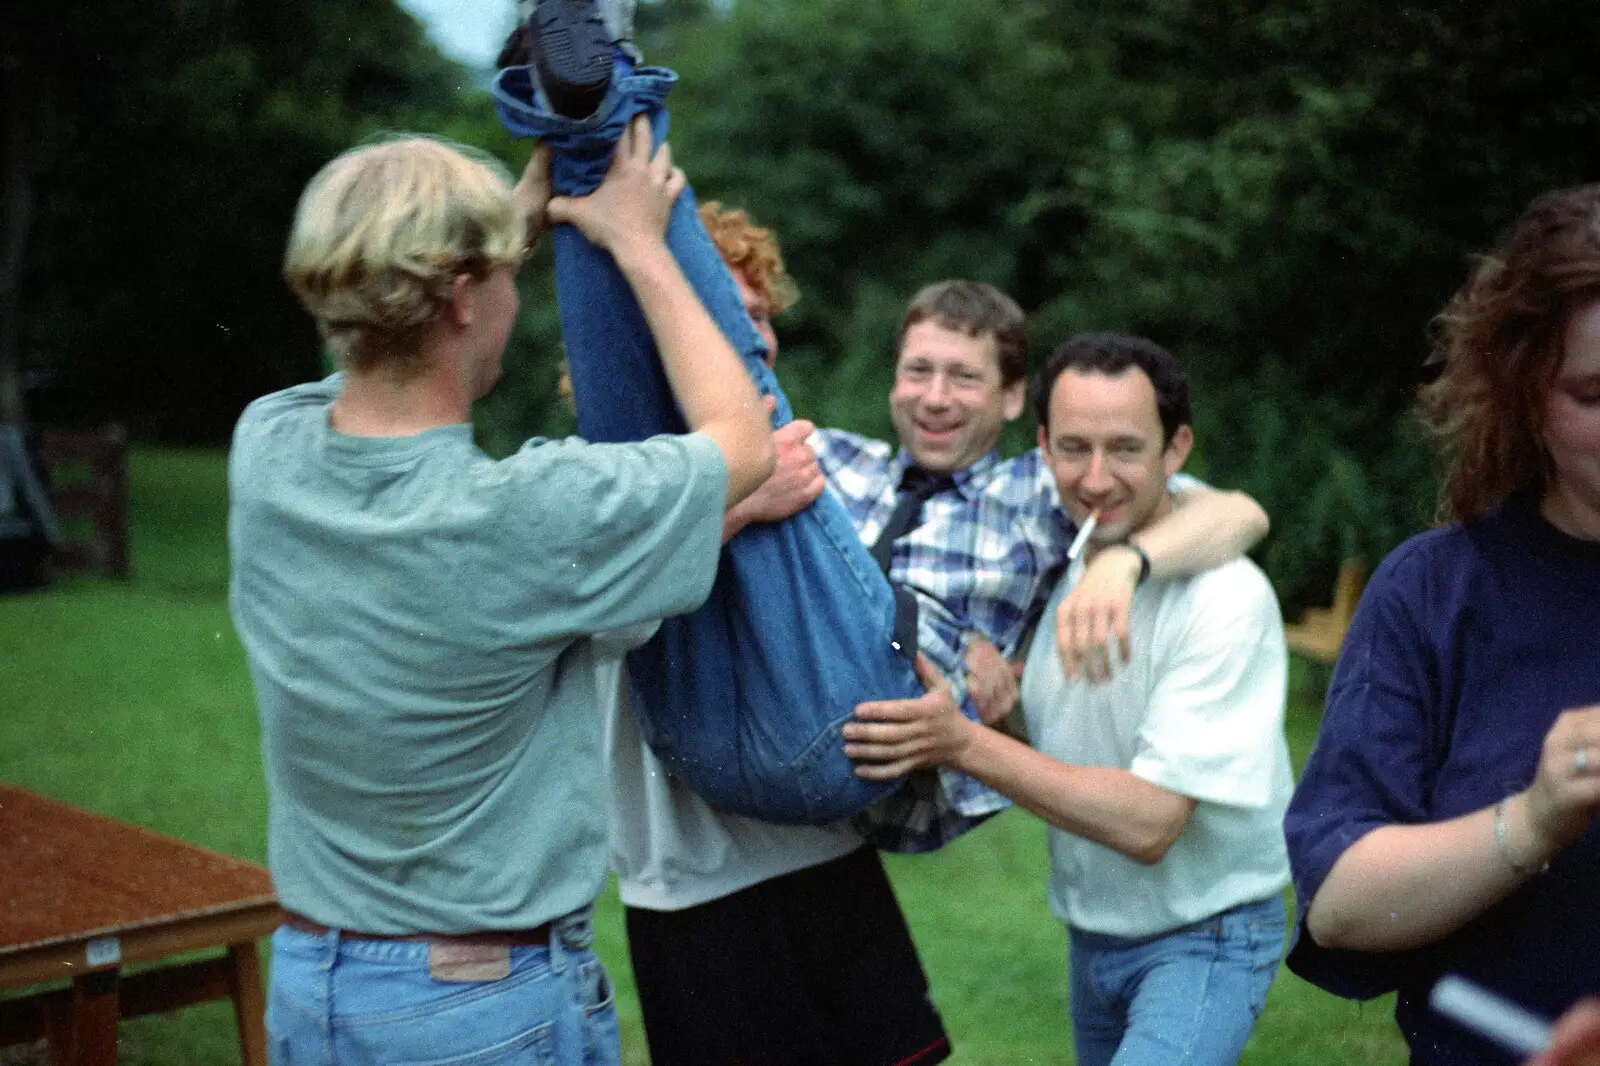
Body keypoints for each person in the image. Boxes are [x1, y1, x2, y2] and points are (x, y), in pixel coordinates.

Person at [492, 0, 1271, 833]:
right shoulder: (837, 457)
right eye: (920, 372)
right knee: (667, 457)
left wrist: (1125, 565)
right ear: (893, 381)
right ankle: (580, 127)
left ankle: (606, 95)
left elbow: (1238, 513)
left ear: (1015, 403)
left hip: (853, 739)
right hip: (698, 731)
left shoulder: (1044, 488)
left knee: (750, 430)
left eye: (966, 379)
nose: (937, 396)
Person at [229, 123, 776, 1065]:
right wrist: (639, 241)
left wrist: (490, 232)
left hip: (313, 988)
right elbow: (746, 439)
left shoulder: (268, 452)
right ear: (463, 298)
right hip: (474, 1012)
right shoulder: (527, 517)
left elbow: (374, 358)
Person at [844, 333, 1294, 1066]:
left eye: (1124, 449)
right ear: (1044, 446)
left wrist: (961, 743)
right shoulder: (1057, 553)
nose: (1095, 478)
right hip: (1093, 937)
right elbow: (1071, 746)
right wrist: (1000, 706)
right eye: (1074, 448)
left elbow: (1150, 822)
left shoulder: (1225, 598)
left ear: (1176, 449)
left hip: (1203, 936)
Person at [1281, 183, 1600, 1065]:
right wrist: (1532, 822)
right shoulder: (1438, 593)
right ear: (1526, 394)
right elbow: (1341, 903)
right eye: (1595, 394)